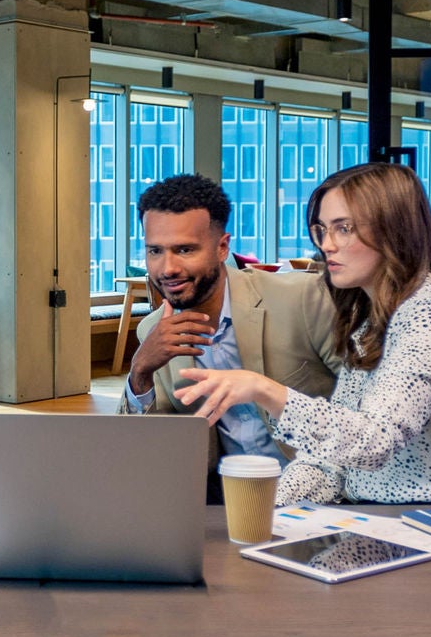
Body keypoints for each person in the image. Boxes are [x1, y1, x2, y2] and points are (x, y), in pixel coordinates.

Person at [175, 161, 431, 505]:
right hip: (383, 525)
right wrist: (261, 511)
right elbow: (329, 461)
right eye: (322, 229)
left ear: (395, 231)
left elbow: (374, 441)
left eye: (344, 228)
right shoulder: (371, 323)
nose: (327, 245)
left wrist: (264, 389)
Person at [119, 174, 346, 500]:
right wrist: (140, 371)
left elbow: (367, 408)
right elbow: (147, 452)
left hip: (323, 491)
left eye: (184, 250)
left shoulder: (302, 299)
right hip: (227, 498)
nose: (167, 268)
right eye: (155, 250)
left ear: (222, 247)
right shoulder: (154, 330)